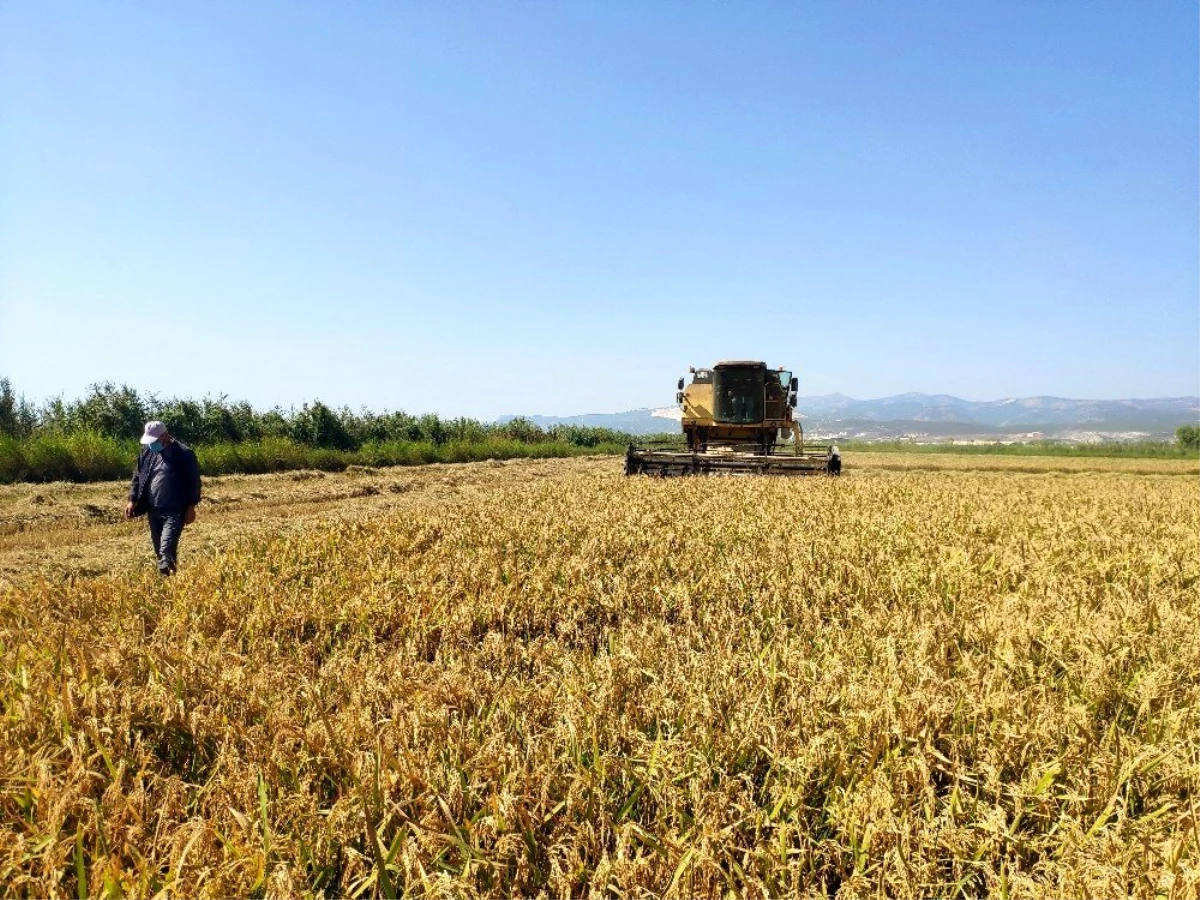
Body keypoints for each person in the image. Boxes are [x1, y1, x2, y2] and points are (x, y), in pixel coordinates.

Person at [125, 421, 201, 576]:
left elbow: (194, 481)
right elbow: (137, 477)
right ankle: (169, 583)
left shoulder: (184, 454)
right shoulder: (146, 453)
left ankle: (167, 574)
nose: (152, 445)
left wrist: (191, 507)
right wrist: (132, 500)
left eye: (154, 441)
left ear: (165, 436)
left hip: (174, 510)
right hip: (153, 509)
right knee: (160, 551)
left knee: (166, 549)